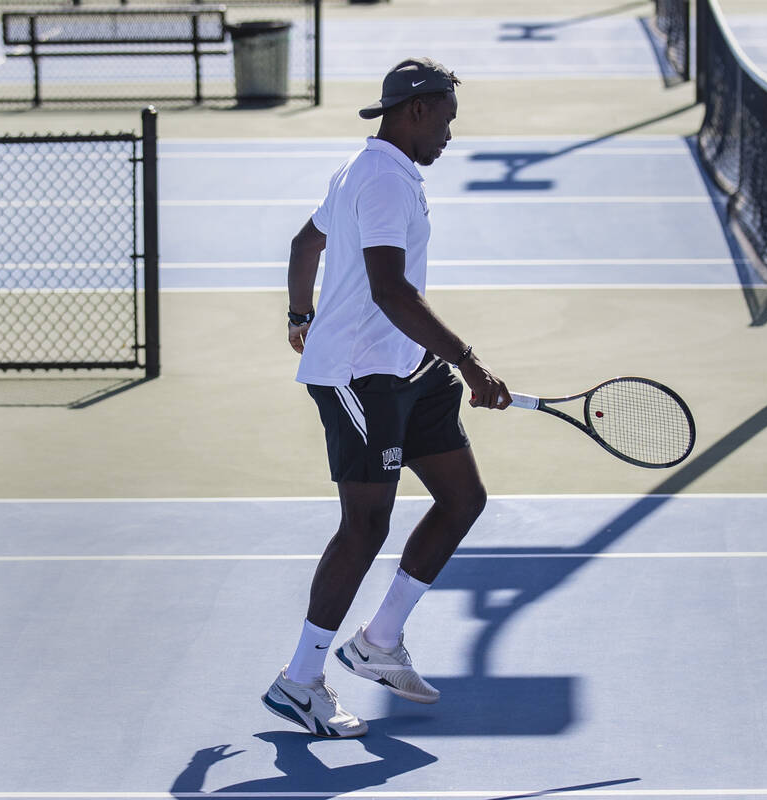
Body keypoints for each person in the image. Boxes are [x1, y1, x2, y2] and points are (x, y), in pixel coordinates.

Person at [261, 57, 511, 738]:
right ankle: (301, 680)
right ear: (418, 110)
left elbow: (304, 243)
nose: (451, 138)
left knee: (463, 498)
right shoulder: (379, 180)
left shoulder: (367, 171)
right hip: (358, 374)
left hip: (405, 366)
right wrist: (469, 361)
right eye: (448, 121)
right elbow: (390, 290)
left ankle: (379, 641)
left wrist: (297, 313)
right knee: (366, 525)